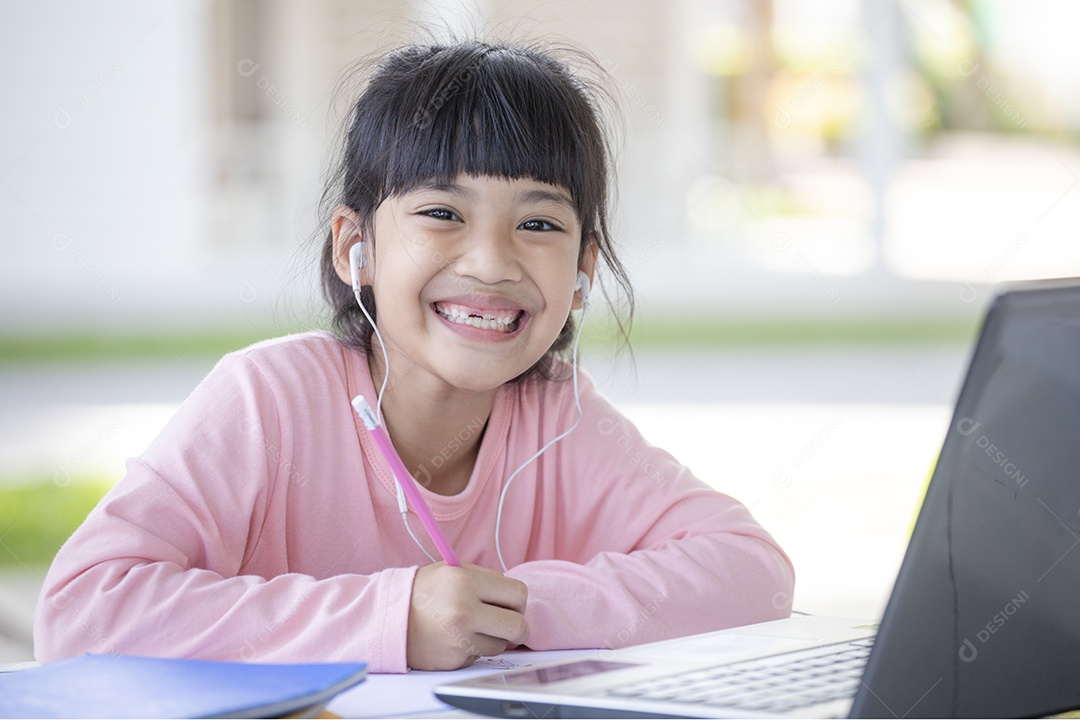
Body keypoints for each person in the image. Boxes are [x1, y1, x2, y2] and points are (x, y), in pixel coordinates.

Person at [34, 39, 794, 673]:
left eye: (539, 223)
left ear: (585, 266)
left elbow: (751, 571)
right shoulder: (266, 400)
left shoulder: (559, 417)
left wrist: (520, 608)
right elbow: (80, 612)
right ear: (354, 247)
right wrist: (390, 618)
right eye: (441, 212)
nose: (493, 263)